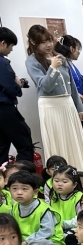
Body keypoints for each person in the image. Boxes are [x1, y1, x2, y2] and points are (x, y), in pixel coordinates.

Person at [24, 24, 83, 170]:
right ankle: (60, 174)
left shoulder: (59, 57)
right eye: (43, 42)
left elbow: (71, 85)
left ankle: (79, 172)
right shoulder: (32, 61)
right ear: (33, 42)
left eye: (49, 40)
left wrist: (80, 107)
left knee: (74, 140)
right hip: (50, 105)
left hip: (67, 104)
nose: (48, 45)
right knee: (57, 141)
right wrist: (52, 68)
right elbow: (45, 86)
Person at [8, 171, 64, 245]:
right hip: (22, 242)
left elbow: (47, 231)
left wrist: (27, 241)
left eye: (24, 189)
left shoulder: (43, 209)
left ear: (35, 192)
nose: (19, 192)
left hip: (46, 240)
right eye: (14, 188)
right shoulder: (14, 208)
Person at [0, 27, 34, 164]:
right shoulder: (1, 62)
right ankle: (23, 175)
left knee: (2, 146)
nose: (12, 50)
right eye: (11, 46)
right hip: (4, 108)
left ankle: (3, 176)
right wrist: (18, 85)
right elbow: (11, 88)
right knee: (24, 142)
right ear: (3, 43)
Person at [54, 35, 83, 139]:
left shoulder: (70, 64)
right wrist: (74, 94)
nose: (79, 52)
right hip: (70, 105)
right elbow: (62, 85)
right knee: (76, 136)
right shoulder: (61, 64)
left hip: (78, 105)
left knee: (81, 135)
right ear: (71, 48)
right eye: (78, 49)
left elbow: (81, 80)